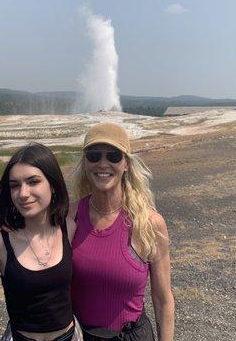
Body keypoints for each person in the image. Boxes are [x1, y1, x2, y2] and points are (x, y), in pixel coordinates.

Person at [70, 122, 175, 341]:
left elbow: (163, 299)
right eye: (94, 155)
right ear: (85, 162)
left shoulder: (149, 223)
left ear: (126, 163)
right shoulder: (70, 216)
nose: (103, 163)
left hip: (131, 335)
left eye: (114, 156)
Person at [0, 143, 81, 341]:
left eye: (33, 182)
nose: (23, 193)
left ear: (53, 185)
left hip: (70, 337)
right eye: (15, 185)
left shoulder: (68, 228)